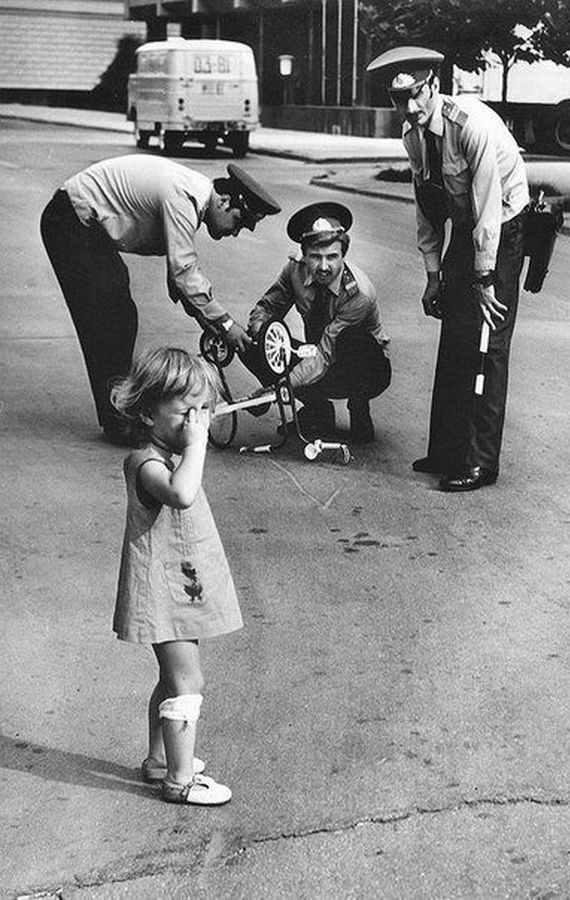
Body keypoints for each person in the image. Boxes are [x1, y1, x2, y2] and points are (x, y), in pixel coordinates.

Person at [367, 47, 530, 491]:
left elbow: (488, 207)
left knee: (486, 340)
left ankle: (481, 462)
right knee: (455, 333)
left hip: (504, 223)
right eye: (399, 100)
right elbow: (428, 207)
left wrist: (482, 277)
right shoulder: (413, 135)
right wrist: (434, 275)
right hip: (467, 222)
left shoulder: (468, 125)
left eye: (416, 94)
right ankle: (446, 450)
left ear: (433, 85)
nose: (410, 107)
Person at [40, 156, 281, 446]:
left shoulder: (192, 197)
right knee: (110, 316)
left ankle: (118, 413)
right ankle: (117, 422)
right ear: (225, 200)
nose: (235, 231)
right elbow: (183, 274)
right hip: (70, 220)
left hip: (80, 222)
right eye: (239, 221)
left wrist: (214, 324)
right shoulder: (184, 197)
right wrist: (226, 324)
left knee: (116, 308)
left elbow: (179, 281)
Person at [110, 346, 242, 806]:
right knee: (188, 681)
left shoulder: (172, 451)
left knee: (170, 677)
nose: (196, 421)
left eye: (203, 410)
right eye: (186, 411)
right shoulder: (146, 463)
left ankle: (159, 759)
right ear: (148, 413)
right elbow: (182, 495)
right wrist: (198, 444)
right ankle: (180, 780)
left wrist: (191, 439)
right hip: (161, 592)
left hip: (177, 585)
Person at [226, 202, 391, 444]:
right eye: (315, 257)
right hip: (317, 356)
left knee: (351, 339)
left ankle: (360, 409)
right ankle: (318, 412)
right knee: (252, 342)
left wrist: (280, 388)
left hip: (363, 369)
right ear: (304, 254)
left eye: (332, 257)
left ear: (343, 255)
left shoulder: (358, 294)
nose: (324, 267)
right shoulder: (294, 270)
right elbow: (266, 308)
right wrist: (264, 338)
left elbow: (325, 354)